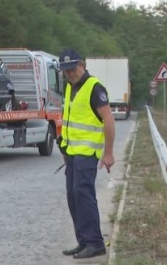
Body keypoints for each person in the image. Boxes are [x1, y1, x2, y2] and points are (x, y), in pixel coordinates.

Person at [57, 48, 115, 260]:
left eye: (73, 69)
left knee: (84, 198)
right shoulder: (70, 88)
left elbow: (108, 119)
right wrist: (64, 148)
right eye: (66, 71)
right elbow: (69, 121)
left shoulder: (94, 87)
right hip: (72, 154)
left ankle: (95, 243)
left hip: (87, 154)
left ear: (82, 65)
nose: (70, 73)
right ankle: (83, 241)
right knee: (74, 199)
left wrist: (108, 153)